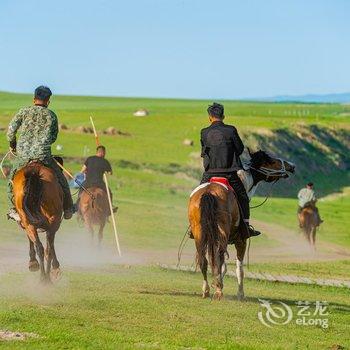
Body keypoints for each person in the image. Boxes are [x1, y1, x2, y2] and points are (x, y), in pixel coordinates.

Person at [6, 86, 74, 221]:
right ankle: (68, 208)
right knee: (61, 179)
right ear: (48, 101)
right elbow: (53, 137)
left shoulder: (24, 111)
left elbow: (10, 131)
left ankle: (13, 209)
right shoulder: (51, 115)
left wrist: (12, 144)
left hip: (24, 155)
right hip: (43, 155)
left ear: (34, 99)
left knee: (11, 181)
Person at [200, 102, 260, 238]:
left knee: (198, 197)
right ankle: (246, 228)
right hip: (229, 173)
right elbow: (239, 149)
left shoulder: (204, 132)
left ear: (210, 117)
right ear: (223, 116)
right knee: (243, 197)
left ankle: (194, 227)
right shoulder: (231, 130)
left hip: (209, 174)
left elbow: (204, 153)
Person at [76, 145, 117, 212]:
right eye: (105, 153)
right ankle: (110, 207)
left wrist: (85, 171)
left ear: (97, 152)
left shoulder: (90, 158)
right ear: (103, 152)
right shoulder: (105, 161)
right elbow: (110, 173)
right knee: (109, 192)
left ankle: (77, 205)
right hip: (99, 183)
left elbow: (82, 170)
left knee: (81, 191)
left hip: (88, 182)